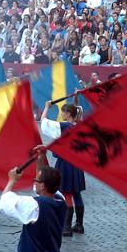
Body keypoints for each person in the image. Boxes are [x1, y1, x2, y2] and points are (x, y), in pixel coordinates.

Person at [0, 145, 67, 252]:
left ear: (42, 185)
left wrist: (11, 180)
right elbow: (51, 179)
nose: (34, 183)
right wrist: (42, 157)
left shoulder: (33, 206)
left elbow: (4, 202)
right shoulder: (61, 202)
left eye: (36, 180)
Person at [40, 101, 86, 237]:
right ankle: (79, 225)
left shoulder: (64, 126)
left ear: (68, 113)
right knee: (76, 193)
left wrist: (47, 107)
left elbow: (43, 123)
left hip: (66, 163)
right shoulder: (78, 125)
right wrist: (77, 98)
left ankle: (66, 227)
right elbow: (79, 111)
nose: (61, 114)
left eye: (63, 112)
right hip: (77, 164)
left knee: (66, 193)